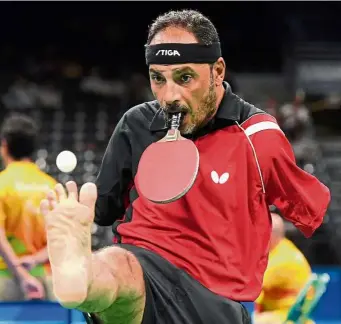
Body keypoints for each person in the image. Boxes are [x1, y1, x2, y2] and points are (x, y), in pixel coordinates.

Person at [40, 10, 330, 324]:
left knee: (123, 272)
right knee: (119, 265)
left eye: (185, 78)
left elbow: (310, 213)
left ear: (218, 71)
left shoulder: (258, 136)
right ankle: (84, 281)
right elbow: (105, 211)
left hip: (213, 300)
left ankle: (91, 282)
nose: (169, 96)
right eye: (157, 78)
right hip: (142, 275)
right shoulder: (136, 124)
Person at [0, 114, 56, 301]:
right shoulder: (51, 185)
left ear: (4, 145)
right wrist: (34, 260)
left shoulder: (2, 184)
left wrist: (21, 274)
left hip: (6, 280)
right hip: (46, 280)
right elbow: (60, 238)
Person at [254, 213, 314, 324]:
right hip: (286, 313)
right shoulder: (283, 248)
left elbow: (251, 284)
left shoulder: (282, 260)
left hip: (285, 316)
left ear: (269, 234)